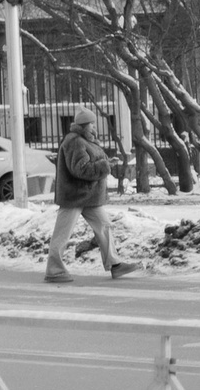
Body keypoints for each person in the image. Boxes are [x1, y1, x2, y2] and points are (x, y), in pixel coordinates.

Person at [44, 114, 140, 284]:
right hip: (74, 196)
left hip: (88, 196)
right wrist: (105, 166)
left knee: (104, 226)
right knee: (62, 233)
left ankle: (115, 265)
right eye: (92, 124)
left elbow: (88, 163)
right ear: (83, 126)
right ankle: (54, 270)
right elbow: (80, 169)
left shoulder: (85, 140)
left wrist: (107, 162)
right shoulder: (75, 141)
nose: (95, 128)